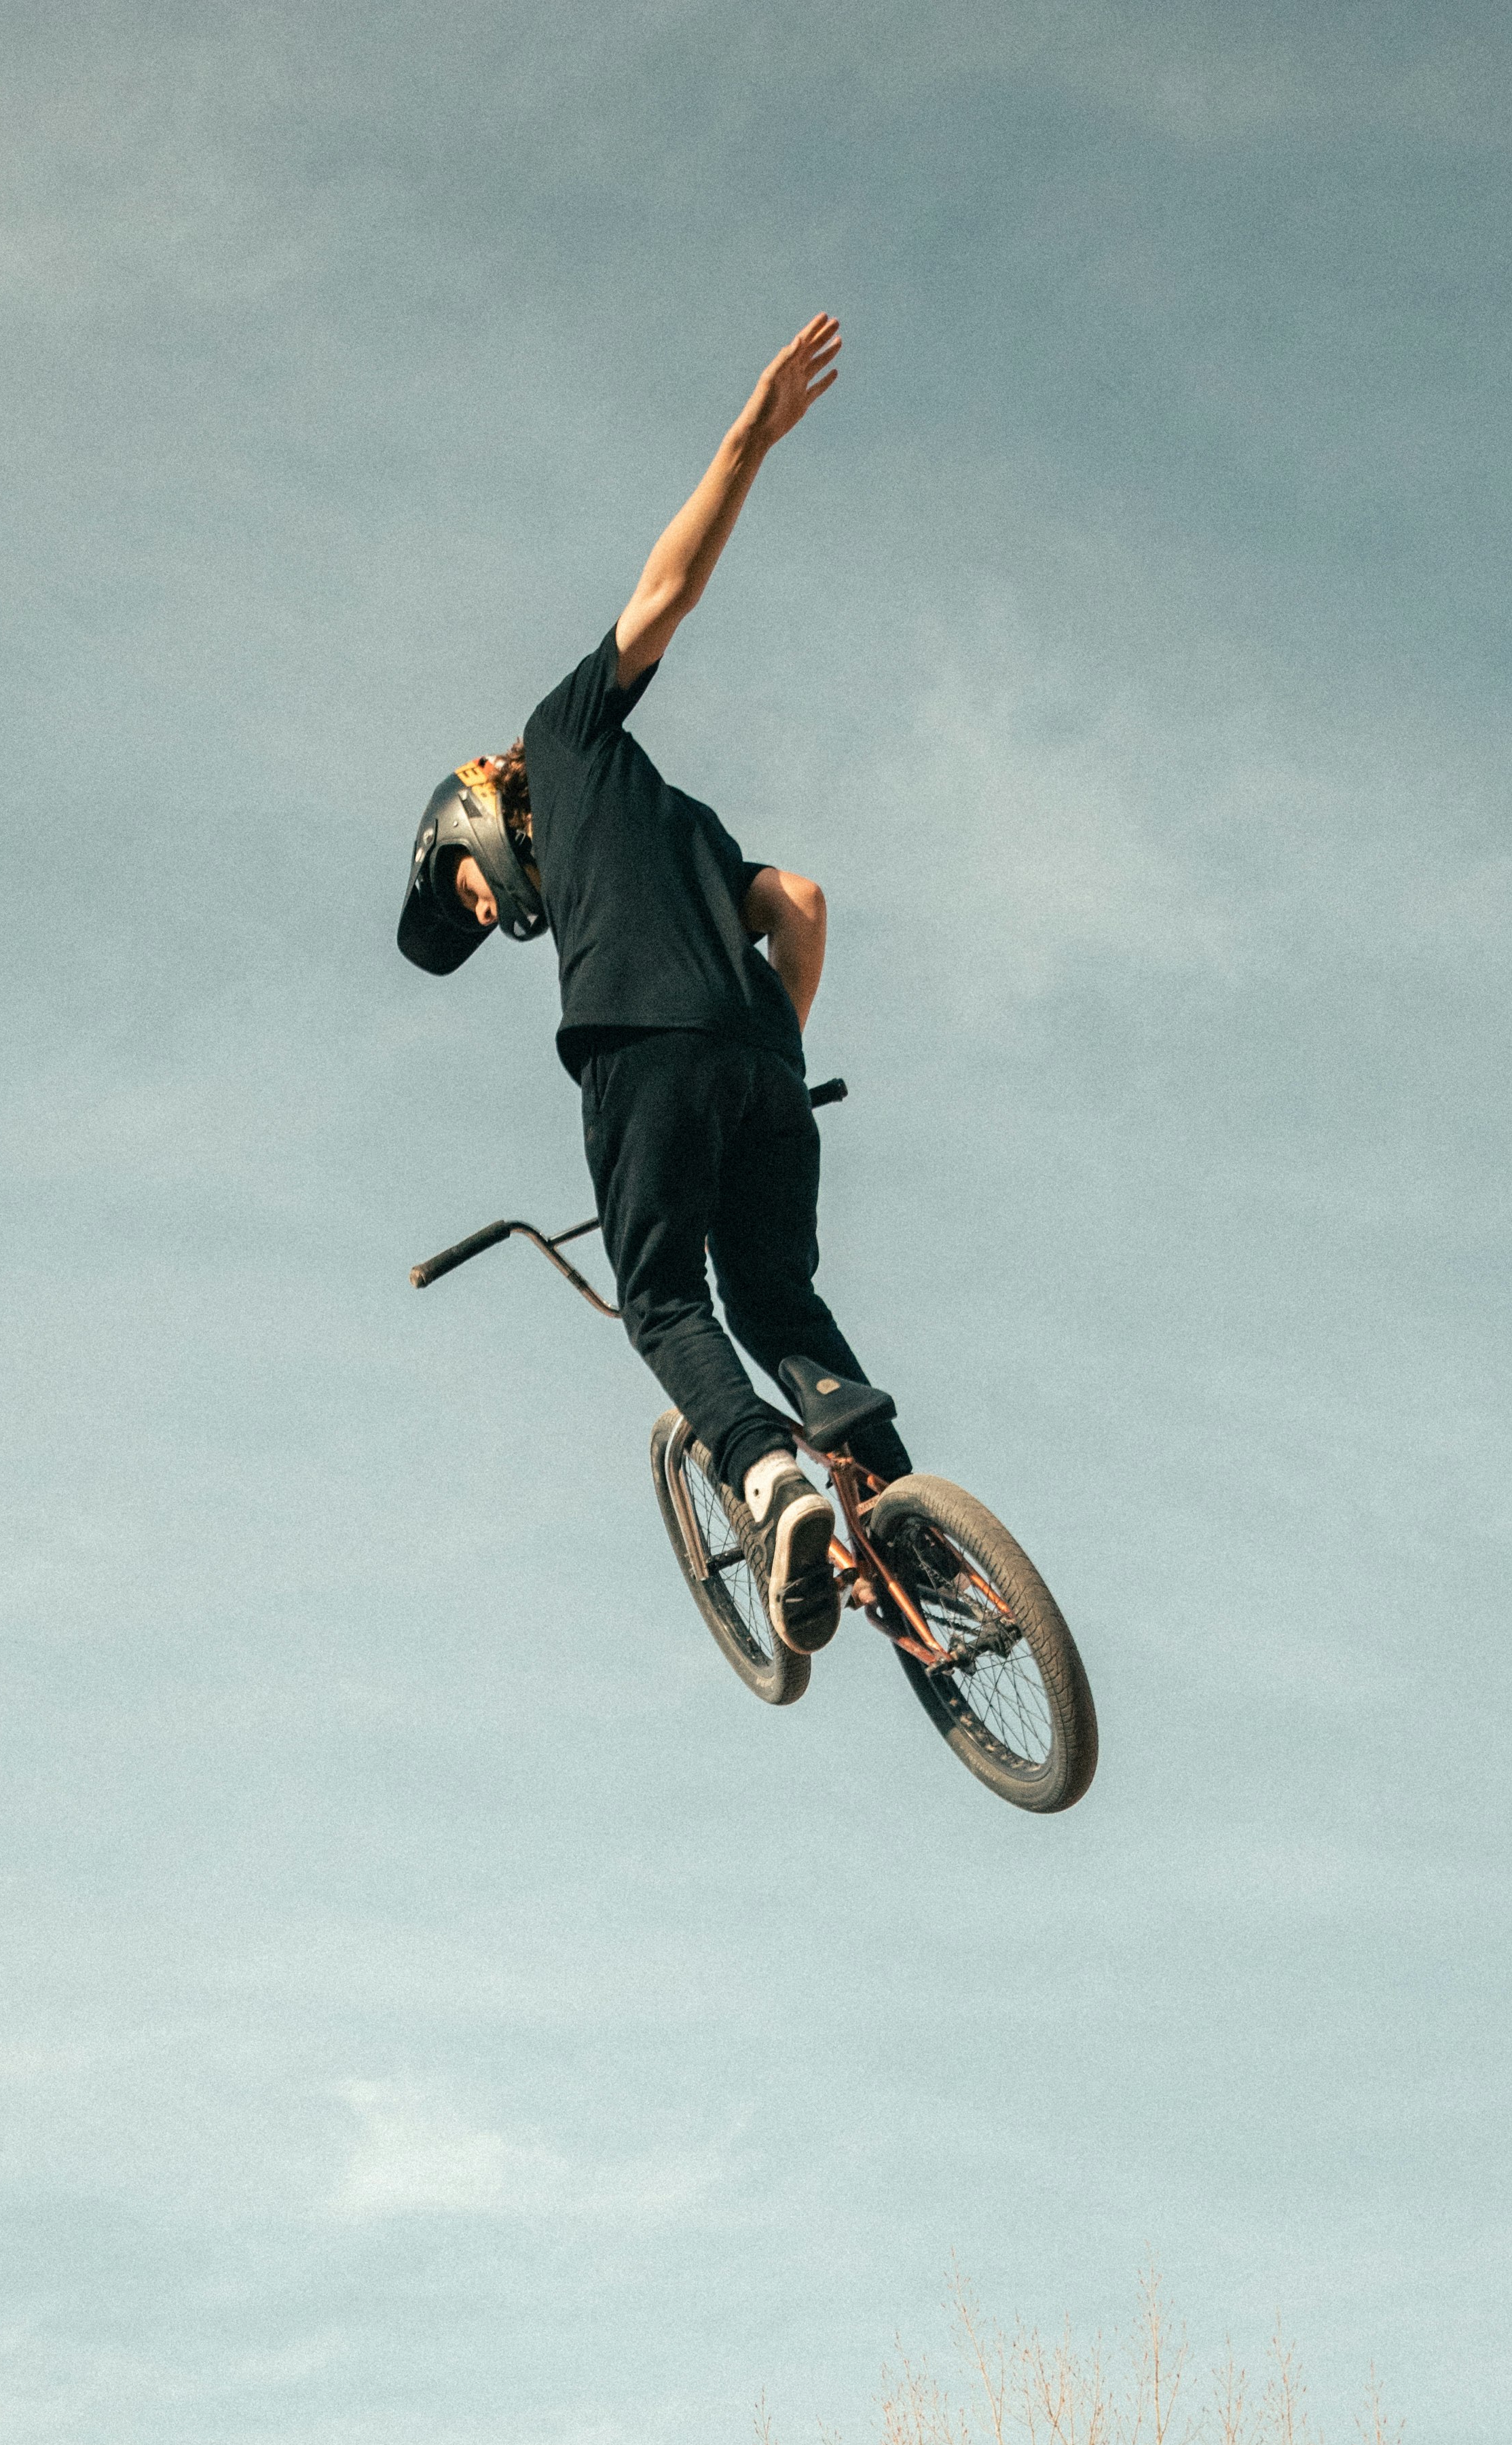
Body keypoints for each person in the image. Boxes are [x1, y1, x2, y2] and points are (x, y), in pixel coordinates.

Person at [396, 312, 907, 1655]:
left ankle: (760, 1473)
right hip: (762, 1062)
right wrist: (770, 1063)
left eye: (461, 887)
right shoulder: (683, 829)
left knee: (663, 1294)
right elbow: (795, 906)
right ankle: (911, 1529)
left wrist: (747, 436)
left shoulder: (554, 745)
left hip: (643, 1048)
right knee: (778, 1296)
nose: (484, 908)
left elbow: (663, 592)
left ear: (473, 823)